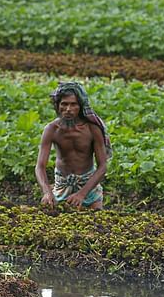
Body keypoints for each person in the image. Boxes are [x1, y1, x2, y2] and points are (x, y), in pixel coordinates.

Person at [35, 82, 112, 210]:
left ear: (80, 107)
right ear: (58, 106)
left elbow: (102, 166)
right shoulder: (52, 130)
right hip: (62, 185)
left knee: (97, 222)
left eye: (73, 104)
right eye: (64, 104)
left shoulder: (92, 129)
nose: (68, 109)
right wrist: (47, 192)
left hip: (88, 185)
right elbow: (40, 166)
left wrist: (82, 194)